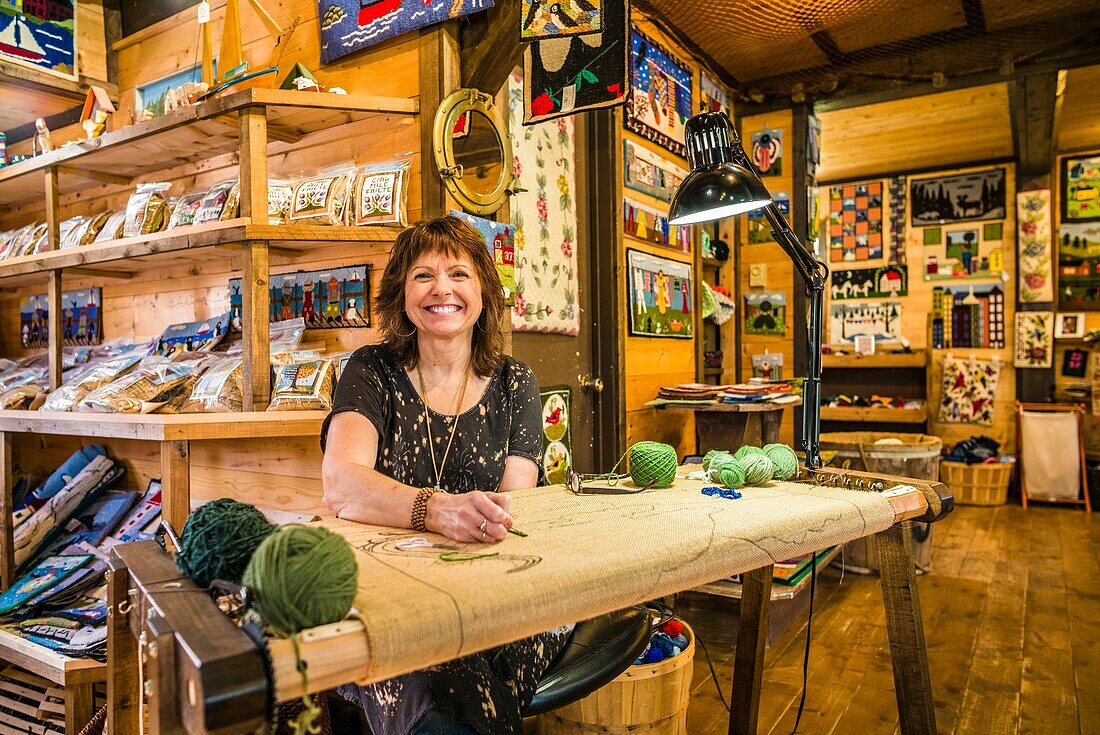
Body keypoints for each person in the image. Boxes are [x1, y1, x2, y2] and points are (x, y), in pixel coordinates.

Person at [320, 215, 571, 735]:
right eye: (422, 276)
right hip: (392, 593)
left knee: (454, 675)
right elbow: (341, 483)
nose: (442, 289)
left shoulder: (514, 382)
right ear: (401, 293)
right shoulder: (371, 370)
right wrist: (437, 510)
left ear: (482, 291)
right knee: (428, 676)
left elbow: (509, 513)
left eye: (459, 273)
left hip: (502, 589)